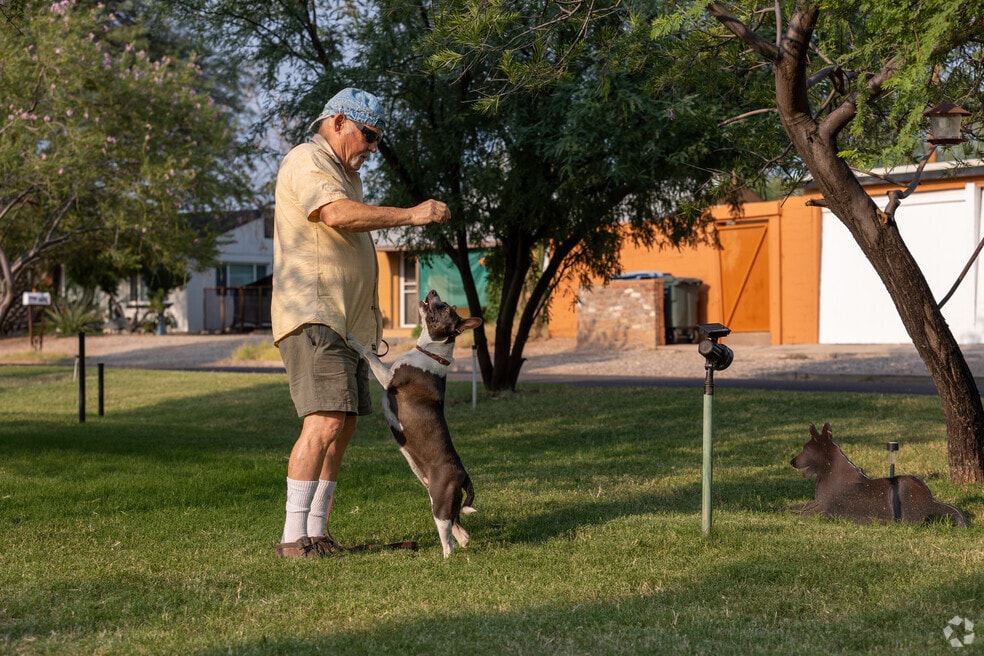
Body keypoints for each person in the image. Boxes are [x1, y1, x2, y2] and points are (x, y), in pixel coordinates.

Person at [271, 88, 450, 558]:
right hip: (314, 315)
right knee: (325, 421)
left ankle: (316, 532)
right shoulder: (307, 159)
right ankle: (293, 539)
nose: (372, 148)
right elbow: (335, 216)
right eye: (368, 136)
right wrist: (412, 214)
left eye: (377, 140)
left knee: (344, 424)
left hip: (347, 326)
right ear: (337, 123)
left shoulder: (345, 175)